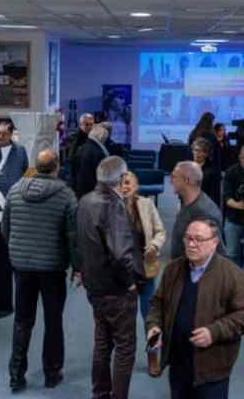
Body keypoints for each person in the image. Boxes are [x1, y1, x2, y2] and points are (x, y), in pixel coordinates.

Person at [146, 219, 244, 399]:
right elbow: (157, 303)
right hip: (178, 363)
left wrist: (214, 332)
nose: (191, 244)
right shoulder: (173, 270)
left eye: (198, 239)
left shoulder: (234, 275)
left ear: (214, 242)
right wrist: (154, 325)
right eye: (188, 238)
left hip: (212, 369)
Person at [2, 150, 78, 392]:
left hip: (22, 266)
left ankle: (16, 376)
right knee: (53, 321)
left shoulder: (15, 190)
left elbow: (5, 228)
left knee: (22, 321)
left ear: (36, 166)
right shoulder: (66, 195)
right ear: (56, 167)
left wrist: (17, 251)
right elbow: (72, 238)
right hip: (52, 268)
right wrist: (76, 266)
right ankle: (52, 374)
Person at [77, 156, 145, 399]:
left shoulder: (85, 200)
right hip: (117, 290)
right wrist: (131, 283)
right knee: (125, 348)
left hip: (94, 287)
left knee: (103, 343)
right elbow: (121, 255)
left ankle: (100, 394)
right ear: (122, 177)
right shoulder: (113, 205)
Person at [120, 171, 167, 325]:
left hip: (145, 267)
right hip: (123, 272)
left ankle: (151, 340)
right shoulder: (112, 207)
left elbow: (160, 231)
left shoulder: (147, 204)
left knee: (150, 315)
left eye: (127, 183)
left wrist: (154, 245)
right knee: (125, 319)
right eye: (120, 183)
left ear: (136, 186)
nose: (124, 187)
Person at [169, 161, 223, 260]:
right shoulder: (186, 201)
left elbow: (218, 253)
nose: (170, 180)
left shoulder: (205, 213)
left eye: (174, 177)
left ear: (186, 180)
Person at [75, 124, 111, 199]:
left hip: (80, 189)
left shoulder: (81, 148)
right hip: (93, 191)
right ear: (100, 137)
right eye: (105, 138)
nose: (105, 141)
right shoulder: (99, 152)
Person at [66, 113, 95, 189]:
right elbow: (70, 158)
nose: (89, 127)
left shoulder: (94, 138)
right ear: (80, 125)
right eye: (87, 124)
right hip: (76, 177)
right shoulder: (74, 138)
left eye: (91, 124)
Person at [191, 137, 222, 207]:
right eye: (196, 150)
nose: (197, 153)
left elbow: (215, 195)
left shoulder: (212, 172)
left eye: (201, 151)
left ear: (206, 154)